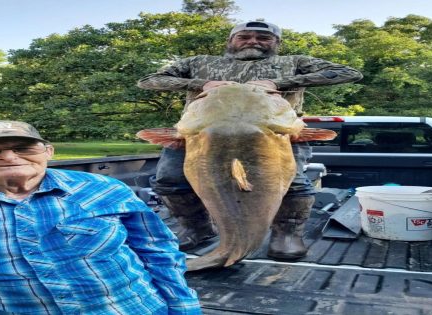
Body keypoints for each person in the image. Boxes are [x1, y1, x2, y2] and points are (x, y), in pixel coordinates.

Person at [137, 21, 363, 259]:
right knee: (169, 180)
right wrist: (201, 84)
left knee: (293, 184)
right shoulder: (198, 62)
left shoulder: (294, 62)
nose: (253, 41)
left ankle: (286, 235)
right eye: (244, 36)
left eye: (263, 37)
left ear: (277, 43)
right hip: (201, 135)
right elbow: (149, 81)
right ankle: (197, 228)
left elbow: (349, 73)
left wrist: (279, 83)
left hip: (276, 135)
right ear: (230, 41)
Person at [0, 119, 201, 314]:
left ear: (48, 152)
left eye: (24, 148)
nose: (8, 157)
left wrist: (183, 307)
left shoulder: (102, 188)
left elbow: (157, 251)